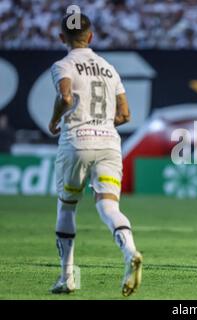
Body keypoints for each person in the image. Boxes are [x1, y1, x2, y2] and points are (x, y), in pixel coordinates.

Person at [48, 13, 142, 295]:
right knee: (108, 206)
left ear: (62, 38)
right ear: (90, 36)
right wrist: (101, 125)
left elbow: (65, 98)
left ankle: (67, 277)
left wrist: (54, 120)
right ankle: (130, 252)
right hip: (109, 144)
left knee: (67, 205)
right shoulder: (108, 68)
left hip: (76, 141)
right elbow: (125, 114)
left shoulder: (63, 64)